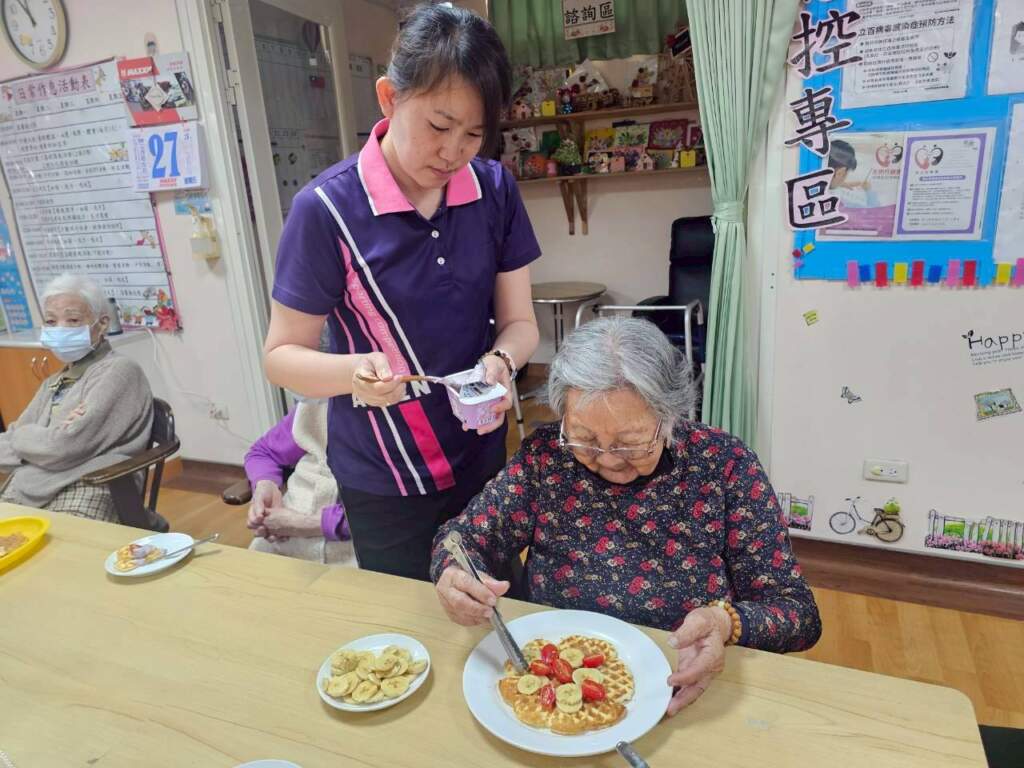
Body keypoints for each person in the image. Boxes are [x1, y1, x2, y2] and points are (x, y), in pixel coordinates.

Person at [262, 4, 540, 581]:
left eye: (474, 134)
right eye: (439, 127)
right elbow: (281, 356)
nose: (454, 152)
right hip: (385, 476)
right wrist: (354, 372)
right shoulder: (327, 210)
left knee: (497, 606)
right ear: (389, 99)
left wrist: (501, 362)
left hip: (481, 456)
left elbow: (521, 323)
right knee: (412, 627)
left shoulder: (493, 190)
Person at [430, 317, 822, 716]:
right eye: (583, 438)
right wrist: (452, 575)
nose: (608, 460)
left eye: (631, 443)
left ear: (670, 417)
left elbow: (797, 613)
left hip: (684, 687)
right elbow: (461, 539)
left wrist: (726, 623)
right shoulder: (547, 456)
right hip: (557, 685)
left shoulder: (724, 465)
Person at [0, 274, 153, 522]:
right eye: (51, 321)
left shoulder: (120, 371)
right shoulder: (55, 381)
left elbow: (62, 446)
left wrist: (29, 439)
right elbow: (12, 439)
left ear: (101, 324)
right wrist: (37, 440)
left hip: (93, 482)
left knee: (62, 554)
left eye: (72, 320)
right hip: (33, 482)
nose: (59, 328)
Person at [243, 395, 356, 566]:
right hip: (280, 538)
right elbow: (263, 452)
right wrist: (266, 485)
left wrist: (303, 524)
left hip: (353, 553)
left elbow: (389, 513)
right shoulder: (318, 401)